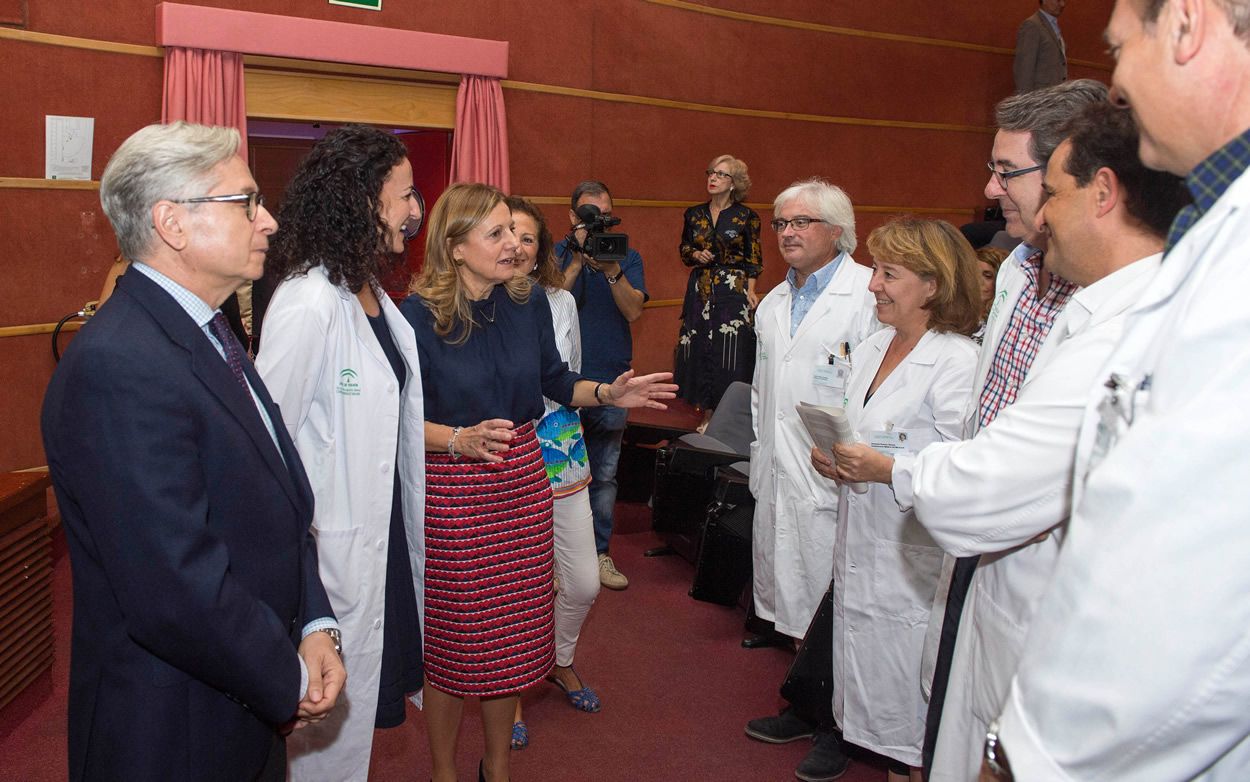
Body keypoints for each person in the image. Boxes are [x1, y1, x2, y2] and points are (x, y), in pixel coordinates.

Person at [888, 102, 1190, 782]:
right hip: (1001, 577)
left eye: (1050, 191)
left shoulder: (1121, 335)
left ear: (1103, 193)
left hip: (1051, 622)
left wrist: (915, 469)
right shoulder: (1076, 296)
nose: (1043, 214)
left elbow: (975, 495)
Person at [989, 1, 1250, 778]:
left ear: (1186, 26)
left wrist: (1031, 757)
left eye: (1117, 48)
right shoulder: (1213, 221)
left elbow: (1204, 588)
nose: (1117, 85)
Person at [40, 122, 344, 781]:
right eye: (245, 202)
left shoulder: (207, 330)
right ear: (172, 222)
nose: (268, 220)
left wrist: (313, 623)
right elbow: (173, 585)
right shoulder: (119, 364)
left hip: (235, 696)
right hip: (172, 728)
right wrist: (285, 676)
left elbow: (279, 500)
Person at [399, 183, 675, 782]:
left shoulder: (526, 303)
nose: (514, 245)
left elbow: (556, 379)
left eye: (515, 232)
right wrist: (457, 439)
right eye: (496, 233)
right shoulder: (413, 317)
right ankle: (443, 772)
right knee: (451, 644)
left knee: (509, 640)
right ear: (456, 245)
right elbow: (391, 418)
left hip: (523, 481)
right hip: (453, 490)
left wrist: (607, 391)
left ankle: (496, 769)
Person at [917, 78, 1106, 777]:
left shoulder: (1111, 304)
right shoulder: (1021, 268)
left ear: (1075, 178)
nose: (990, 189)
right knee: (952, 715)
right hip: (978, 542)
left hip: (1036, 562)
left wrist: (909, 474)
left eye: (1007, 172)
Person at [254, 125, 426, 781]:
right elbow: (265, 444)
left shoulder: (369, 290)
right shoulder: (308, 300)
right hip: (329, 553)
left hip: (379, 541)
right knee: (317, 745)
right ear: (362, 200)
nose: (415, 211)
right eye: (405, 195)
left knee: (353, 727)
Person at [808, 218, 980, 782]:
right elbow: (864, 428)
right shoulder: (875, 345)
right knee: (875, 701)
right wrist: (839, 459)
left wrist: (886, 469)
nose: (873, 285)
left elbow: (961, 464)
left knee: (916, 718)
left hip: (912, 556)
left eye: (888, 274)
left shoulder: (956, 361)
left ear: (933, 284)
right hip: (864, 542)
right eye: (876, 271)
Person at [742, 178, 879, 781]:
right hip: (781, 469)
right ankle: (808, 703)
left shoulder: (867, 296)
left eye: (801, 222)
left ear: (837, 231)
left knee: (837, 604)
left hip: (839, 476)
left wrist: (859, 456)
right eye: (781, 223)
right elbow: (761, 395)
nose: (787, 232)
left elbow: (879, 392)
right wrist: (759, 455)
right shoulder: (773, 302)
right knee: (796, 596)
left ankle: (841, 730)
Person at [504, 195, 603, 750]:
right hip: (503, 454)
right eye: (507, 235)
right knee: (517, 585)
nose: (518, 247)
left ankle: (559, 660)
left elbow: (567, 375)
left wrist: (606, 393)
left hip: (561, 449)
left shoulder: (561, 301)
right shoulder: (478, 302)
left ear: (542, 247)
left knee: (583, 581)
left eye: (528, 238)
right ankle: (509, 689)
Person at [555, 180, 648, 590]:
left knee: (605, 474)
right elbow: (545, 304)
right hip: (561, 384)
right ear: (573, 216)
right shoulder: (555, 253)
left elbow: (634, 311)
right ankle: (554, 560)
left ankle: (599, 553)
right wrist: (576, 261)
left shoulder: (626, 255)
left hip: (612, 380)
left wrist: (612, 272)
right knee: (555, 474)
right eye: (591, 214)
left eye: (606, 214)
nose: (599, 222)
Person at [674, 155, 763, 427]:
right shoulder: (694, 214)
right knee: (699, 347)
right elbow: (684, 249)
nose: (713, 178)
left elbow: (753, 258)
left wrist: (751, 290)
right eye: (711, 172)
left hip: (732, 289)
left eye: (721, 174)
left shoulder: (746, 217)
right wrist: (695, 254)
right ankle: (705, 412)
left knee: (730, 353)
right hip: (700, 288)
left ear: (734, 183)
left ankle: (728, 417)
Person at [1014, 0, 1068, 93]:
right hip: (1040, 96)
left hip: (1054, 95)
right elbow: (1024, 68)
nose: (1062, 4)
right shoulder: (1032, 25)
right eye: (1058, 0)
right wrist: (1026, 99)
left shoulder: (1053, 26)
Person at [972, 246, 1008, 344]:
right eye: (973, 273)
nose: (978, 280)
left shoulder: (1000, 326)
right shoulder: (951, 314)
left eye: (987, 276)